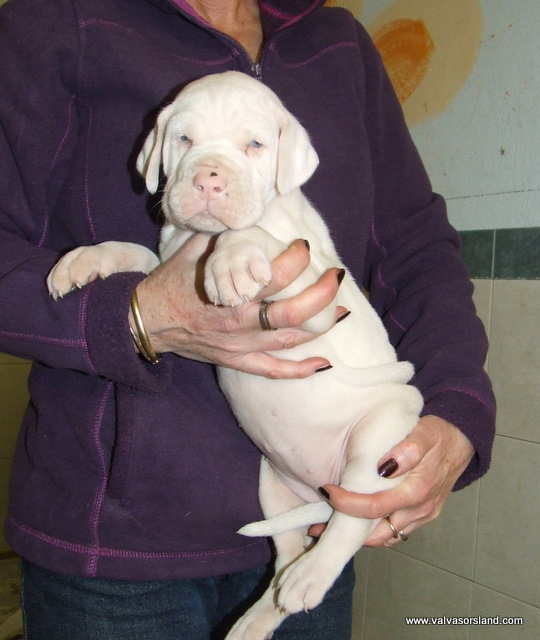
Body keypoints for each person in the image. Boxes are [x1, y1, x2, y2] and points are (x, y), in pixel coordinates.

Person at [0, 0, 495, 638]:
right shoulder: (58, 19)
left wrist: (457, 410)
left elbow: (417, 247)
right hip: (114, 546)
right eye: (187, 143)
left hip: (308, 519)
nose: (211, 174)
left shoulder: (339, 42)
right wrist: (132, 317)